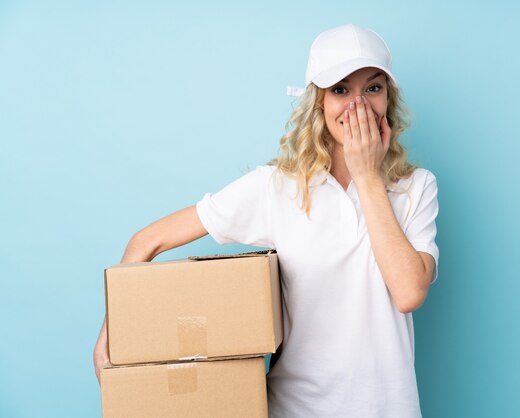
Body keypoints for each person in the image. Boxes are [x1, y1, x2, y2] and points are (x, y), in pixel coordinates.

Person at [93, 23, 439, 417]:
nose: (358, 106)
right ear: (318, 103)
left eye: (372, 88)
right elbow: (145, 242)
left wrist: (367, 176)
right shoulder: (277, 188)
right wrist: (112, 336)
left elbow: (409, 292)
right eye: (341, 90)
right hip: (294, 409)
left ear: (388, 100)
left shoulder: (416, 188)